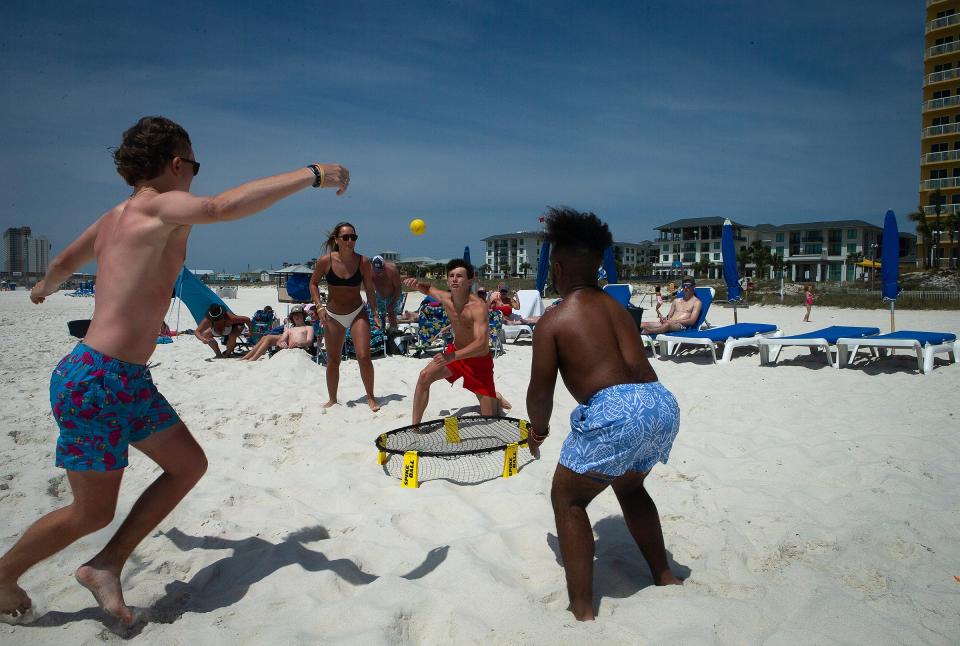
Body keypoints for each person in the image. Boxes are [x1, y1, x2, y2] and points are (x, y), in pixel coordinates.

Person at [0, 116, 349, 624]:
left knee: (187, 465)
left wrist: (42, 290)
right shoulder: (161, 205)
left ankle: (106, 564)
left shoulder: (111, 218)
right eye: (195, 166)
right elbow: (218, 207)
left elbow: (62, 264)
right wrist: (311, 174)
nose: (195, 178)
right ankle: (4, 574)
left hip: (120, 379)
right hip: (99, 379)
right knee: (90, 511)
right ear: (177, 163)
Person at [525, 207, 682, 622]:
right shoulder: (618, 310)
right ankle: (664, 574)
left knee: (568, 498)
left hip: (618, 409)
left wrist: (536, 432)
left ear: (557, 269)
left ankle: (581, 609)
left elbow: (540, 393)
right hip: (660, 403)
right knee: (629, 487)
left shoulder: (554, 320)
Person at [403, 260, 510, 424]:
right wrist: (417, 284)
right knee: (424, 376)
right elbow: (429, 289)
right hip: (456, 354)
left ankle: (495, 397)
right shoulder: (446, 298)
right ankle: (414, 427)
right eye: (451, 276)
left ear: (469, 281)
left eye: (459, 276)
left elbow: (482, 345)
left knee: (490, 420)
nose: (454, 279)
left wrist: (452, 356)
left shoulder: (478, 307)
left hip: (478, 361)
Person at [310, 222, 381, 412]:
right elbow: (313, 284)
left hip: (357, 312)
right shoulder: (326, 261)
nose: (350, 241)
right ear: (337, 240)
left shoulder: (363, 262)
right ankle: (332, 399)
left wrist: (374, 312)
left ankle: (371, 397)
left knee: (364, 356)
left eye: (353, 237)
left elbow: (370, 290)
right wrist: (319, 307)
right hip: (333, 315)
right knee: (333, 359)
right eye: (346, 237)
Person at [241, 305, 315, 361]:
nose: (296, 316)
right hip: (288, 351)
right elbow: (281, 340)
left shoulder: (308, 327)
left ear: (303, 316)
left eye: (299, 314)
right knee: (266, 337)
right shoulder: (290, 329)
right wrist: (281, 343)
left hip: (300, 352)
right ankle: (247, 357)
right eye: (294, 315)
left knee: (268, 337)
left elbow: (309, 341)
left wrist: (300, 344)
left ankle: (252, 359)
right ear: (292, 318)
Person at [370, 255, 403, 330]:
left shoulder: (392, 271)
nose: (378, 272)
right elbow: (370, 290)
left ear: (384, 265)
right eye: (376, 270)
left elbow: (398, 288)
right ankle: (381, 331)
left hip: (393, 294)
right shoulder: (369, 272)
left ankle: (394, 331)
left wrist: (393, 302)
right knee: (379, 314)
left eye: (380, 270)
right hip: (379, 295)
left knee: (391, 313)